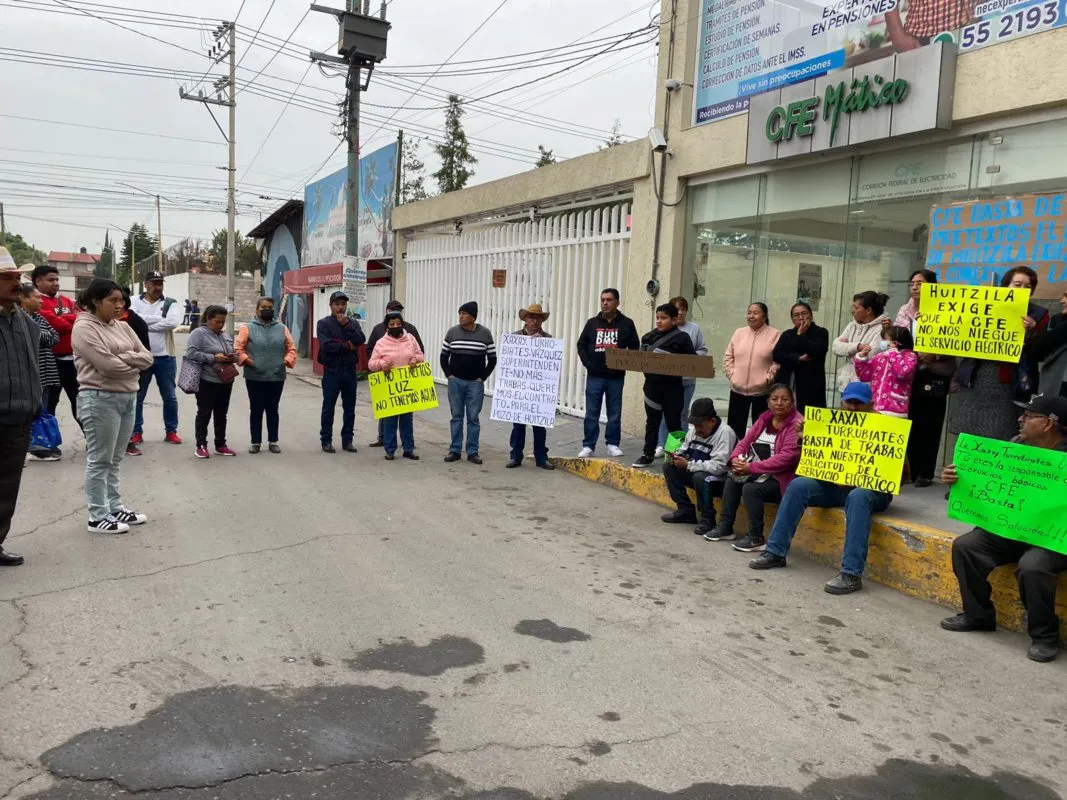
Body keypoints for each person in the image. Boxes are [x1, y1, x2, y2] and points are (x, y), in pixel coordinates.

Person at [940, 394, 1067, 663]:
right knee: (966, 546)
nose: (1021, 419)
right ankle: (978, 615)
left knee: (1033, 566)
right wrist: (955, 479)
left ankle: (1044, 636)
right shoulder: (1014, 447)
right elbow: (989, 485)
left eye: (1029, 415)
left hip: (1052, 538)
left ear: (1048, 424)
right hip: (1012, 528)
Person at [748, 382, 894, 595]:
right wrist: (805, 439)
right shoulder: (831, 423)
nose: (852, 408)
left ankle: (851, 574)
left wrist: (860, 478)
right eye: (848, 403)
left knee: (857, 496)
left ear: (871, 405)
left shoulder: (886, 427)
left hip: (869, 491)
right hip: (834, 487)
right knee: (798, 485)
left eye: (858, 404)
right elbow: (816, 461)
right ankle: (775, 552)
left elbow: (902, 476)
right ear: (841, 402)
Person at [72, 278, 154, 534]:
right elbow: (107, 365)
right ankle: (97, 515)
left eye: (121, 300)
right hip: (99, 398)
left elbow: (148, 357)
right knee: (100, 459)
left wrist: (125, 359)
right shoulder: (84, 328)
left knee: (115, 458)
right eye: (113, 301)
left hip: (127, 396)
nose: (119, 305)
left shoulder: (123, 327)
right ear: (96, 301)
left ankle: (114, 506)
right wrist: (132, 365)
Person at [951, 267, 1050, 444]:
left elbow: (1040, 353)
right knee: (970, 435)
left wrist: (1032, 332)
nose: (1021, 290)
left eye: (1027, 286)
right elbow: (958, 330)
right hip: (978, 378)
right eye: (1017, 285)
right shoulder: (983, 306)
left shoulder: (1038, 314)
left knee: (1003, 435)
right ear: (1005, 287)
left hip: (1010, 383)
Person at [705, 384, 803, 552]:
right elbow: (744, 442)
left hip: (782, 479)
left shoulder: (797, 424)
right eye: (774, 399)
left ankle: (756, 536)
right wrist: (736, 459)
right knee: (733, 479)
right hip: (760, 472)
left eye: (785, 399)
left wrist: (752, 468)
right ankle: (725, 526)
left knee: (751, 489)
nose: (779, 403)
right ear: (768, 402)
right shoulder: (765, 418)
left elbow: (786, 458)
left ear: (792, 402)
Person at [894, 270, 956, 487]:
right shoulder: (905, 310)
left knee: (930, 421)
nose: (915, 287)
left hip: (935, 372)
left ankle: (925, 472)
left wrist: (936, 354)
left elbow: (958, 341)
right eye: (912, 283)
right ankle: (907, 469)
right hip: (910, 371)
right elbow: (898, 339)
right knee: (908, 419)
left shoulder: (946, 309)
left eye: (920, 283)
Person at [0, 248, 40, 564]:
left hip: (18, 418)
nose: (16, 283)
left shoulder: (25, 322)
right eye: (7, 278)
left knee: (6, 487)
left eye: (17, 277)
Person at [576, 288, 640, 458]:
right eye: (603, 299)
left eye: (609, 300)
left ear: (617, 302)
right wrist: (588, 364)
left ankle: (612, 444)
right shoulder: (592, 323)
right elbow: (581, 344)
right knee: (591, 413)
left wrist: (624, 363)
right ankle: (588, 445)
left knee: (614, 412)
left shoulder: (627, 324)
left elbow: (635, 347)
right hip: (595, 376)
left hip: (616, 377)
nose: (605, 303)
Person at [660, 398, 738, 536]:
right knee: (669, 467)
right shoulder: (694, 431)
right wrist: (677, 457)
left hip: (722, 480)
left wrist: (689, 465)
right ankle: (685, 510)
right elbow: (685, 448)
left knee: (701, 477)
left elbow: (720, 467)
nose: (697, 430)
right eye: (695, 425)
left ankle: (707, 518)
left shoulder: (725, 433)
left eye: (700, 425)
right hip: (698, 471)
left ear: (712, 421)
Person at [632, 303, 696, 468]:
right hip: (652, 388)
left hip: (673, 389)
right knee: (652, 422)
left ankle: (672, 456)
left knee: (674, 423)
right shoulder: (648, 337)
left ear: (674, 320)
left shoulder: (683, 338)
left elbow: (693, 362)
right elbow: (641, 361)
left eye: (664, 318)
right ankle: (648, 454)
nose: (659, 321)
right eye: (657, 318)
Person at [235, 297, 297, 454]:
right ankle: (255, 441)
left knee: (272, 408)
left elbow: (291, 349)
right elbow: (238, 349)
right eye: (263, 307)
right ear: (257, 310)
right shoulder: (247, 328)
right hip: (254, 376)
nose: (266, 309)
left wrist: (285, 362)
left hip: (276, 376)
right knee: (256, 408)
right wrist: (249, 362)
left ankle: (273, 441)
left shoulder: (282, 328)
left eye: (269, 307)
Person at [130, 271, 182, 446]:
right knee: (138, 396)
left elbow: (173, 322)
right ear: (146, 284)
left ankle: (171, 431)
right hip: (140, 356)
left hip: (165, 357)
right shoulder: (134, 301)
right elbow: (132, 319)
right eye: (154, 283)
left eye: (160, 283)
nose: (158, 287)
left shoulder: (170, 303)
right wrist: (159, 319)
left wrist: (146, 326)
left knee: (170, 397)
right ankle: (136, 432)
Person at [441, 301, 497, 464]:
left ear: (473, 317)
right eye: (460, 313)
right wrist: (449, 375)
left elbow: (492, 359)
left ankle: (472, 451)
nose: (461, 316)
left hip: (475, 383)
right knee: (456, 416)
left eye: (464, 314)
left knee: (473, 417)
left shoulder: (485, 334)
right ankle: (455, 450)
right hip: (456, 381)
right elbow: (444, 355)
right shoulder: (452, 332)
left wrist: (482, 377)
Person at [654, 296, 710, 457]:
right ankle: (662, 444)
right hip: (668, 379)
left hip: (687, 379)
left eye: (683, 309)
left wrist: (687, 357)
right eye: (677, 310)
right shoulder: (661, 330)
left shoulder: (694, 329)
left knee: (682, 413)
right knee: (666, 412)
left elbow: (702, 350)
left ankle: (682, 444)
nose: (680, 313)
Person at [366, 299, 424, 448]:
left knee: (407, 420)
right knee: (389, 420)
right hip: (389, 386)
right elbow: (371, 363)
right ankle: (389, 449)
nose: (395, 326)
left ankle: (409, 448)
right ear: (387, 326)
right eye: (392, 324)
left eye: (398, 323)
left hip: (407, 386)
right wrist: (382, 364)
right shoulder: (381, 342)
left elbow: (420, 354)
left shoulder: (410, 338)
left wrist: (415, 360)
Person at [184, 305, 238, 459]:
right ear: (208, 319)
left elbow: (233, 351)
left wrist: (233, 356)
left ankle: (220, 444)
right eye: (217, 322)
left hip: (226, 380)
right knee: (204, 413)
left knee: (221, 414)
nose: (220, 325)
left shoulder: (225, 335)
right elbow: (191, 353)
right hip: (207, 380)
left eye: (222, 322)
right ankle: (200, 445)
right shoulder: (199, 334)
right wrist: (214, 358)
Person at [507, 303, 556, 470]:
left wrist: (541, 346)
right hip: (520, 387)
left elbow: (551, 365)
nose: (534, 321)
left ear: (542, 321)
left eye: (538, 318)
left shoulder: (548, 339)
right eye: (531, 318)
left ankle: (541, 457)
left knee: (539, 425)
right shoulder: (515, 337)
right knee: (518, 425)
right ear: (525, 320)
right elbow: (509, 362)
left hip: (538, 388)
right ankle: (516, 456)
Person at [317, 290, 365, 454]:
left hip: (350, 371)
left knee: (349, 408)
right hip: (332, 371)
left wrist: (346, 325)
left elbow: (360, 340)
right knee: (328, 407)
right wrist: (347, 346)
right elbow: (327, 346)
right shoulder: (323, 324)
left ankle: (348, 440)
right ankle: (326, 440)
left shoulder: (352, 323)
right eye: (337, 304)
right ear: (331, 305)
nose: (340, 307)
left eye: (343, 304)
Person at [31, 264, 80, 426]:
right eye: (51, 280)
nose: (56, 283)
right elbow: (54, 324)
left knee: (80, 404)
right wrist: (67, 320)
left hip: (72, 362)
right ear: (38, 282)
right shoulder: (36, 301)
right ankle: (47, 445)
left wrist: (63, 319)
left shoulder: (65, 300)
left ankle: (92, 443)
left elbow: (78, 319)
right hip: (50, 363)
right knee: (49, 405)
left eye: (57, 279)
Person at [723, 302, 780, 439]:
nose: (751, 316)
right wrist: (732, 375)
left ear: (764, 316)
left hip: (762, 392)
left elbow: (777, 361)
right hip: (737, 390)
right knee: (734, 430)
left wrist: (768, 378)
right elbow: (728, 356)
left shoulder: (775, 334)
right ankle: (734, 457)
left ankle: (758, 458)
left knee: (761, 429)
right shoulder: (739, 333)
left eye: (756, 313)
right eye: (749, 313)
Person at [17, 284, 61, 462]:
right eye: (36, 297)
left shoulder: (37, 318)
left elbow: (54, 337)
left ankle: (42, 445)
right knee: (30, 412)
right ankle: (33, 447)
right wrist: (38, 335)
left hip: (45, 373)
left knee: (43, 410)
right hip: (26, 375)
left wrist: (35, 335)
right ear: (24, 298)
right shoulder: (17, 318)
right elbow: (25, 338)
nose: (41, 301)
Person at [772, 302, 828, 413]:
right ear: (792, 319)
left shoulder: (821, 332)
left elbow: (816, 351)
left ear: (811, 315)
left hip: (811, 384)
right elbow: (777, 354)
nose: (801, 318)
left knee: (808, 420)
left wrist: (801, 335)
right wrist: (797, 358)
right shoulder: (787, 334)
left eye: (804, 313)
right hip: (788, 381)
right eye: (796, 315)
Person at [853, 325, 918, 418]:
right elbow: (864, 376)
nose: (882, 342)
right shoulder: (880, 356)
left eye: (885, 339)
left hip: (895, 411)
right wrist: (861, 358)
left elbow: (902, 373)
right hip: (875, 408)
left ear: (897, 342)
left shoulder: (910, 356)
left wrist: (893, 353)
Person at [832, 291, 891, 390]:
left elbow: (870, 354)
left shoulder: (882, 328)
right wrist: (858, 346)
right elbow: (836, 348)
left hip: (866, 384)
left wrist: (847, 348)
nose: (852, 310)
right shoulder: (852, 325)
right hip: (846, 383)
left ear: (868, 310)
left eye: (856, 308)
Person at [1034, 289, 1067, 399]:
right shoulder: (1058, 319)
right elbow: (1040, 351)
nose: (1062, 301)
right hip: (1054, 387)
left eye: (1066, 296)